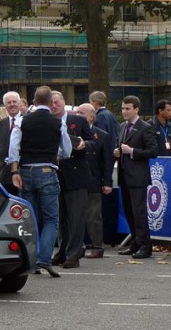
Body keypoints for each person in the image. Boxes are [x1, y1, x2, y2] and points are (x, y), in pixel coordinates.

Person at [8, 86, 72, 277]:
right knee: (51, 219)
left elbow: (13, 148)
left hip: (26, 170)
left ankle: (33, 259)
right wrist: (56, 154)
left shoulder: (22, 120)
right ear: (51, 102)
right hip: (48, 171)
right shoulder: (58, 122)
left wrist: (14, 171)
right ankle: (45, 258)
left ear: (34, 101)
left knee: (31, 218)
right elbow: (67, 150)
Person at [50, 91, 95, 269]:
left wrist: (85, 145)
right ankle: (62, 251)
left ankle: (73, 255)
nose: (54, 105)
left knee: (76, 218)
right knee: (60, 218)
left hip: (77, 176)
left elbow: (95, 142)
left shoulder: (79, 121)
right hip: (55, 175)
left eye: (56, 102)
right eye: (51, 103)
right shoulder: (48, 123)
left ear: (63, 102)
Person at [115, 95, 159, 259]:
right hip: (124, 175)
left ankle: (145, 246)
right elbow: (120, 147)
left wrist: (132, 151)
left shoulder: (145, 127)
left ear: (136, 109)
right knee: (129, 212)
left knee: (139, 212)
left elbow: (153, 151)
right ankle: (135, 242)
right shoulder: (122, 127)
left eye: (128, 109)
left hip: (138, 177)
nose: (124, 112)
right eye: (123, 108)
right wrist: (118, 152)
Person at [75, 103, 114, 258]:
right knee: (76, 216)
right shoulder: (70, 132)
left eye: (82, 113)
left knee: (93, 216)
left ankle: (97, 245)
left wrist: (107, 182)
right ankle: (79, 245)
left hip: (93, 180)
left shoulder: (101, 135)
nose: (78, 115)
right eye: (77, 112)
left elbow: (107, 160)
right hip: (75, 180)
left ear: (92, 116)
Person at [89, 90, 120, 244]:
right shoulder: (111, 116)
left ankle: (96, 241)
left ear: (94, 102)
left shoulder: (100, 117)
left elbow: (99, 141)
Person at [0, 91, 22, 195]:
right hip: (4, 176)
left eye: (14, 101)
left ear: (19, 103)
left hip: (22, 174)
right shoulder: (0, 125)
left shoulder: (27, 121)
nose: (12, 104)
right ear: (5, 105)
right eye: (9, 102)